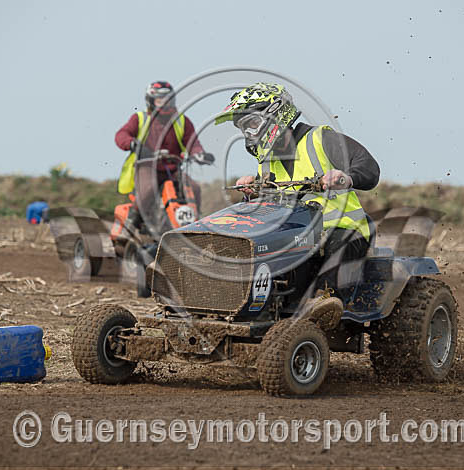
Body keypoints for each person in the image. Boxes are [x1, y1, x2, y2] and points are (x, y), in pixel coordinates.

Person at [215, 82, 380, 321]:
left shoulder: (320, 139)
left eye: (252, 124)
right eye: (244, 129)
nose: (249, 134)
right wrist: (252, 192)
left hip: (345, 230)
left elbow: (369, 167)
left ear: (274, 114)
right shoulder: (267, 162)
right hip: (298, 234)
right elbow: (270, 206)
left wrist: (345, 177)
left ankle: (326, 302)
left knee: (336, 241)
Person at [115, 81, 214, 233]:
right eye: (160, 100)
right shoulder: (140, 118)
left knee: (194, 187)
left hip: (173, 169)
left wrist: (199, 154)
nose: (164, 104)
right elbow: (122, 135)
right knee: (148, 189)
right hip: (147, 167)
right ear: (151, 101)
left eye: (168, 100)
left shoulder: (181, 121)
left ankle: (194, 223)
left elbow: (192, 142)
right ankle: (132, 223)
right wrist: (132, 144)